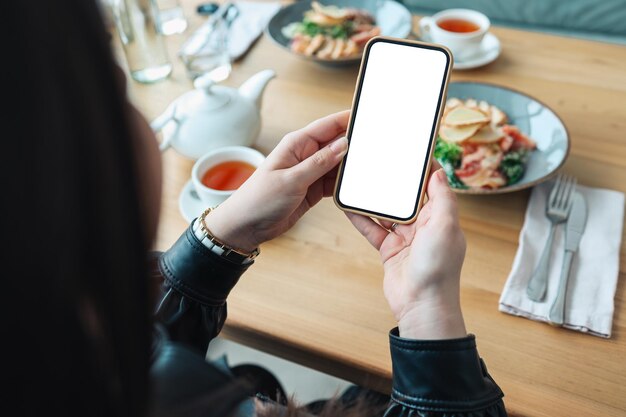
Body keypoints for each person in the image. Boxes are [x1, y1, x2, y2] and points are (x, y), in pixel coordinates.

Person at [4, 1, 506, 416]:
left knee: (273, 377)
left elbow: (145, 345)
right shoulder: (183, 396)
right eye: (114, 88)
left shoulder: (58, 353)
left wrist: (222, 235)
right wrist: (429, 311)